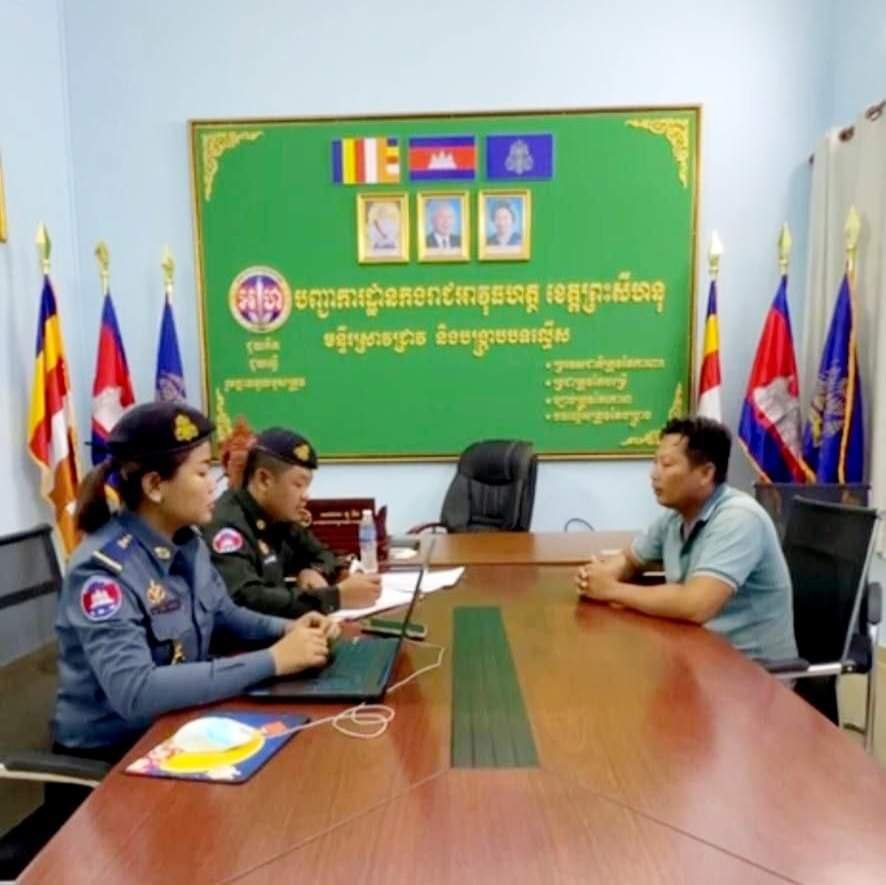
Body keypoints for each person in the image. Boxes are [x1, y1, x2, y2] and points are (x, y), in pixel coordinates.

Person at [574, 416, 798, 662]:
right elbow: (631, 558)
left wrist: (611, 590)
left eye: (667, 465)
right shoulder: (676, 517)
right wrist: (602, 574)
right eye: (655, 463)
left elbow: (696, 605)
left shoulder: (739, 518)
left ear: (706, 473)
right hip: (697, 654)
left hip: (752, 671)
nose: (654, 475)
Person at [205, 427, 382, 618]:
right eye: (298, 484)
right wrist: (335, 598)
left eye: (307, 486)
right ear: (264, 480)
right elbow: (248, 599)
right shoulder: (226, 526)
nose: (306, 495)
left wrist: (313, 571)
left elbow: (323, 554)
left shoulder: (278, 516)